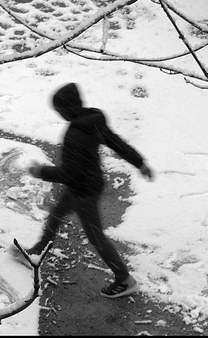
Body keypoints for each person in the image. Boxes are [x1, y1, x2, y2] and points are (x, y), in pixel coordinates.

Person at [25, 83, 154, 299]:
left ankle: (124, 279)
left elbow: (69, 174)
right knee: (56, 215)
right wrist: (140, 162)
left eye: (59, 110)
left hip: (83, 191)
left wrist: (40, 171)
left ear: (68, 108)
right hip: (87, 183)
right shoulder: (92, 122)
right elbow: (117, 143)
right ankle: (37, 251)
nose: (58, 114)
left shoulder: (76, 133)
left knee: (96, 236)